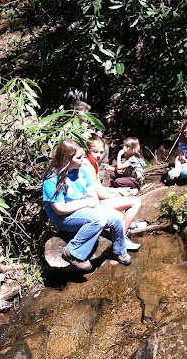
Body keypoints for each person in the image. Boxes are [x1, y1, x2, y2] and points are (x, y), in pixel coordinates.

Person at [42, 139, 132, 270]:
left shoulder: (81, 171)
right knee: (98, 219)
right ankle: (73, 252)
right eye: (79, 157)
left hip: (83, 207)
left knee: (117, 217)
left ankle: (118, 250)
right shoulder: (53, 178)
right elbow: (60, 209)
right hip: (63, 217)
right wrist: (86, 202)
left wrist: (93, 202)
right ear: (67, 159)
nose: (83, 160)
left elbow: (91, 193)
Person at [83, 135, 142, 251]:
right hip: (91, 206)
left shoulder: (93, 163)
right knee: (135, 202)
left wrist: (119, 190)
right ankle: (121, 238)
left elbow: (99, 188)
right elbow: (100, 194)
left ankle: (126, 225)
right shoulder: (86, 166)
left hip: (95, 201)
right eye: (95, 152)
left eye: (101, 152)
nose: (99, 155)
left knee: (126, 195)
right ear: (87, 150)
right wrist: (118, 194)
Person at [70, 99, 109, 182]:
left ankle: (99, 177)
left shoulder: (85, 125)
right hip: (76, 151)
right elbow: (67, 143)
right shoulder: (69, 126)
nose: (87, 116)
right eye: (85, 112)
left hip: (86, 148)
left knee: (104, 149)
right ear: (75, 113)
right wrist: (80, 138)